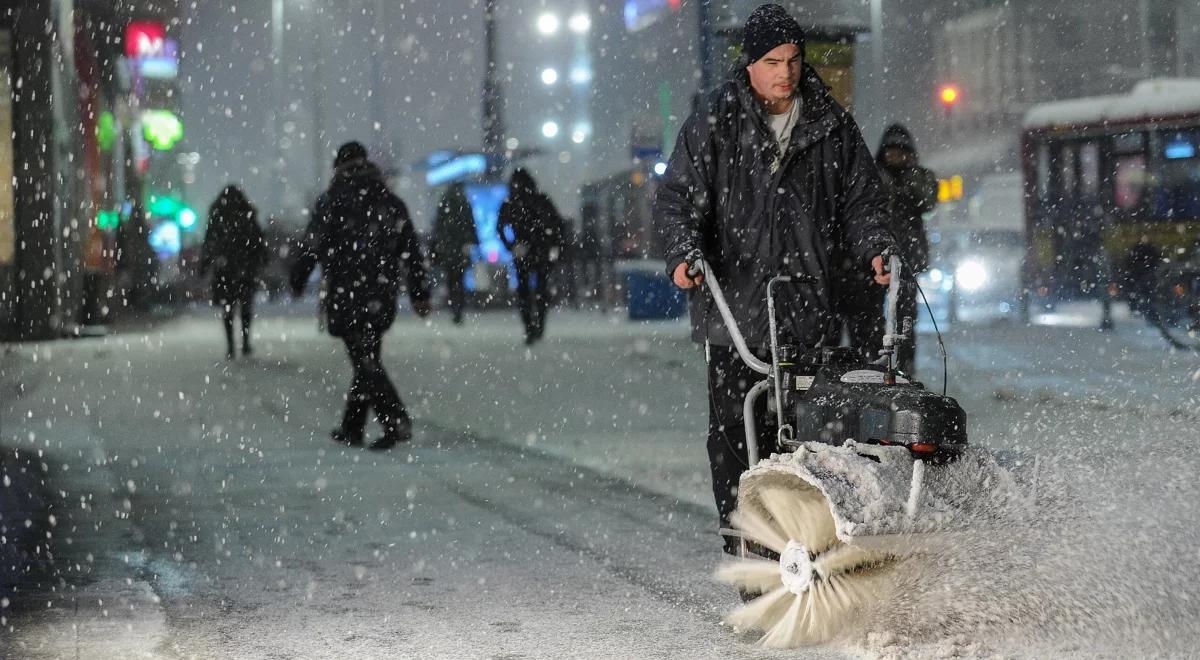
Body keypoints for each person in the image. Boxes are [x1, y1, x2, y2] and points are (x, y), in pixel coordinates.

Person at [653, 3, 896, 556]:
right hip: (733, 310)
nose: (785, 72)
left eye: (792, 59)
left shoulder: (830, 125)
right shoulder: (716, 122)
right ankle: (748, 546)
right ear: (749, 63)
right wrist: (682, 253)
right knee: (736, 436)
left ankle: (808, 540)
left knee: (811, 436)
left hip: (805, 308)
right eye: (771, 61)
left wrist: (877, 247)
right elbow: (675, 201)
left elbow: (863, 202)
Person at [290, 141, 431, 450]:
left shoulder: (331, 202)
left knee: (364, 361)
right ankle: (352, 427)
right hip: (381, 291)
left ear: (338, 168)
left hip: (346, 291)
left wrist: (298, 277)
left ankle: (396, 422)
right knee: (367, 358)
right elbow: (410, 249)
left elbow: (311, 244)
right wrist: (420, 292)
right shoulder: (390, 202)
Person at [842, 123, 938, 373]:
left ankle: (903, 367)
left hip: (906, 259)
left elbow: (927, 199)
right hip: (874, 260)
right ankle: (871, 365)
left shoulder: (919, 177)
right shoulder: (872, 176)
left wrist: (904, 182)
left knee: (905, 321)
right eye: (891, 152)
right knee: (870, 319)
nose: (895, 157)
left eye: (901, 152)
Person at [200, 185, 267, 359]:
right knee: (245, 307)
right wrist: (261, 258)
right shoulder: (247, 215)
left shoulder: (217, 216)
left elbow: (209, 243)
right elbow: (258, 240)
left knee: (227, 309)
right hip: (245, 268)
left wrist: (205, 265)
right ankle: (245, 342)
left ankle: (231, 346)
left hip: (225, 269)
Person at [497, 168, 563, 344]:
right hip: (541, 250)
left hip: (522, 251)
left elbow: (500, 228)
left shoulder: (510, 203)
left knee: (524, 291)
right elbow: (557, 224)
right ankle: (539, 324)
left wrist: (511, 246)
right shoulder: (541, 200)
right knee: (541, 289)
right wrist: (554, 247)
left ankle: (529, 327)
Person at [431, 182, 479, 325]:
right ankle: (458, 309)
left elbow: (438, 227)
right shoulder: (464, 203)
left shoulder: (445, 202)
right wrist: (470, 241)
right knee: (460, 280)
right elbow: (470, 225)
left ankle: (454, 308)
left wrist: (439, 246)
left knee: (451, 281)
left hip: (448, 250)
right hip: (460, 250)